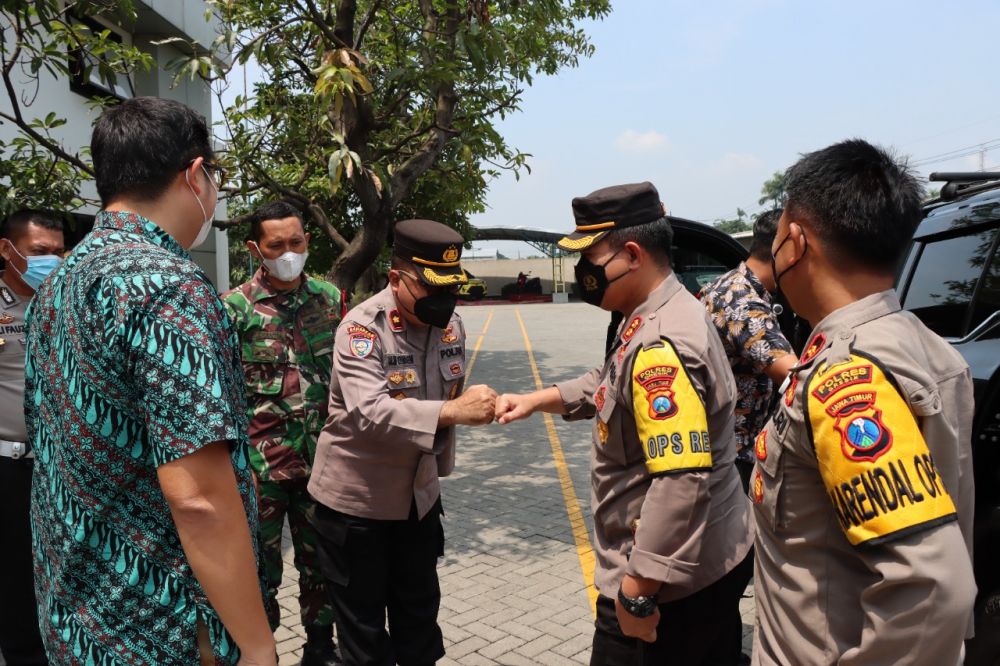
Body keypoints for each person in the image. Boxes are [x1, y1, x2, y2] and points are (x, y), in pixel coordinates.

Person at [24, 97, 275, 665]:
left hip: (76, 613)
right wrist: (258, 647)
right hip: (162, 628)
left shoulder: (61, 285)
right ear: (194, 175)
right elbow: (199, 499)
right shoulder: (166, 286)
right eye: (215, 175)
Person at [495, 182, 754, 665]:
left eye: (591, 257)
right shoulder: (654, 315)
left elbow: (681, 479)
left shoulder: (662, 344)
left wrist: (637, 589)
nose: (583, 272)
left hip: (666, 582)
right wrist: (538, 400)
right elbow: (612, 377)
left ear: (632, 254)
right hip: (706, 559)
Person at [752, 139, 976, 665]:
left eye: (780, 233)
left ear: (797, 243)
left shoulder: (846, 379)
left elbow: (933, 589)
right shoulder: (924, 343)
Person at [309, 219, 497, 666]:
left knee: (419, 629)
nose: (443, 302)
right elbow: (369, 412)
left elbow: (447, 400)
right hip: (357, 509)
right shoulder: (362, 330)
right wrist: (455, 412)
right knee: (365, 638)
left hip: (417, 504)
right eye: (431, 289)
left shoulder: (452, 328)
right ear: (396, 278)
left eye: (450, 289)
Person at [222, 201, 342, 665]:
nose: (288, 252)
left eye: (296, 243)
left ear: (307, 242)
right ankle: (261, 650)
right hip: (261, 470)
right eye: (276, 245)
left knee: (323, 561)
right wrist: (235, 465)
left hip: (321, 464)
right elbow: (223, 396)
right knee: (258, 569)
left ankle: (320, 647)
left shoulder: (330, 300)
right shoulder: (233, 309)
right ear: (256, 249)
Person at [0, 209, 64, 666]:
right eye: (41, 252)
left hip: (58, 464)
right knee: (16, 578)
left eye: (59, 252)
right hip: (7, 468)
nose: (53, 262)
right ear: (8, 249)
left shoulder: (63, 303)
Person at [700, 208, 795, 492]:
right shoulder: (743, 301)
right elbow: (794, 376)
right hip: (734, 454)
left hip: (723, 446)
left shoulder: (727, 284)